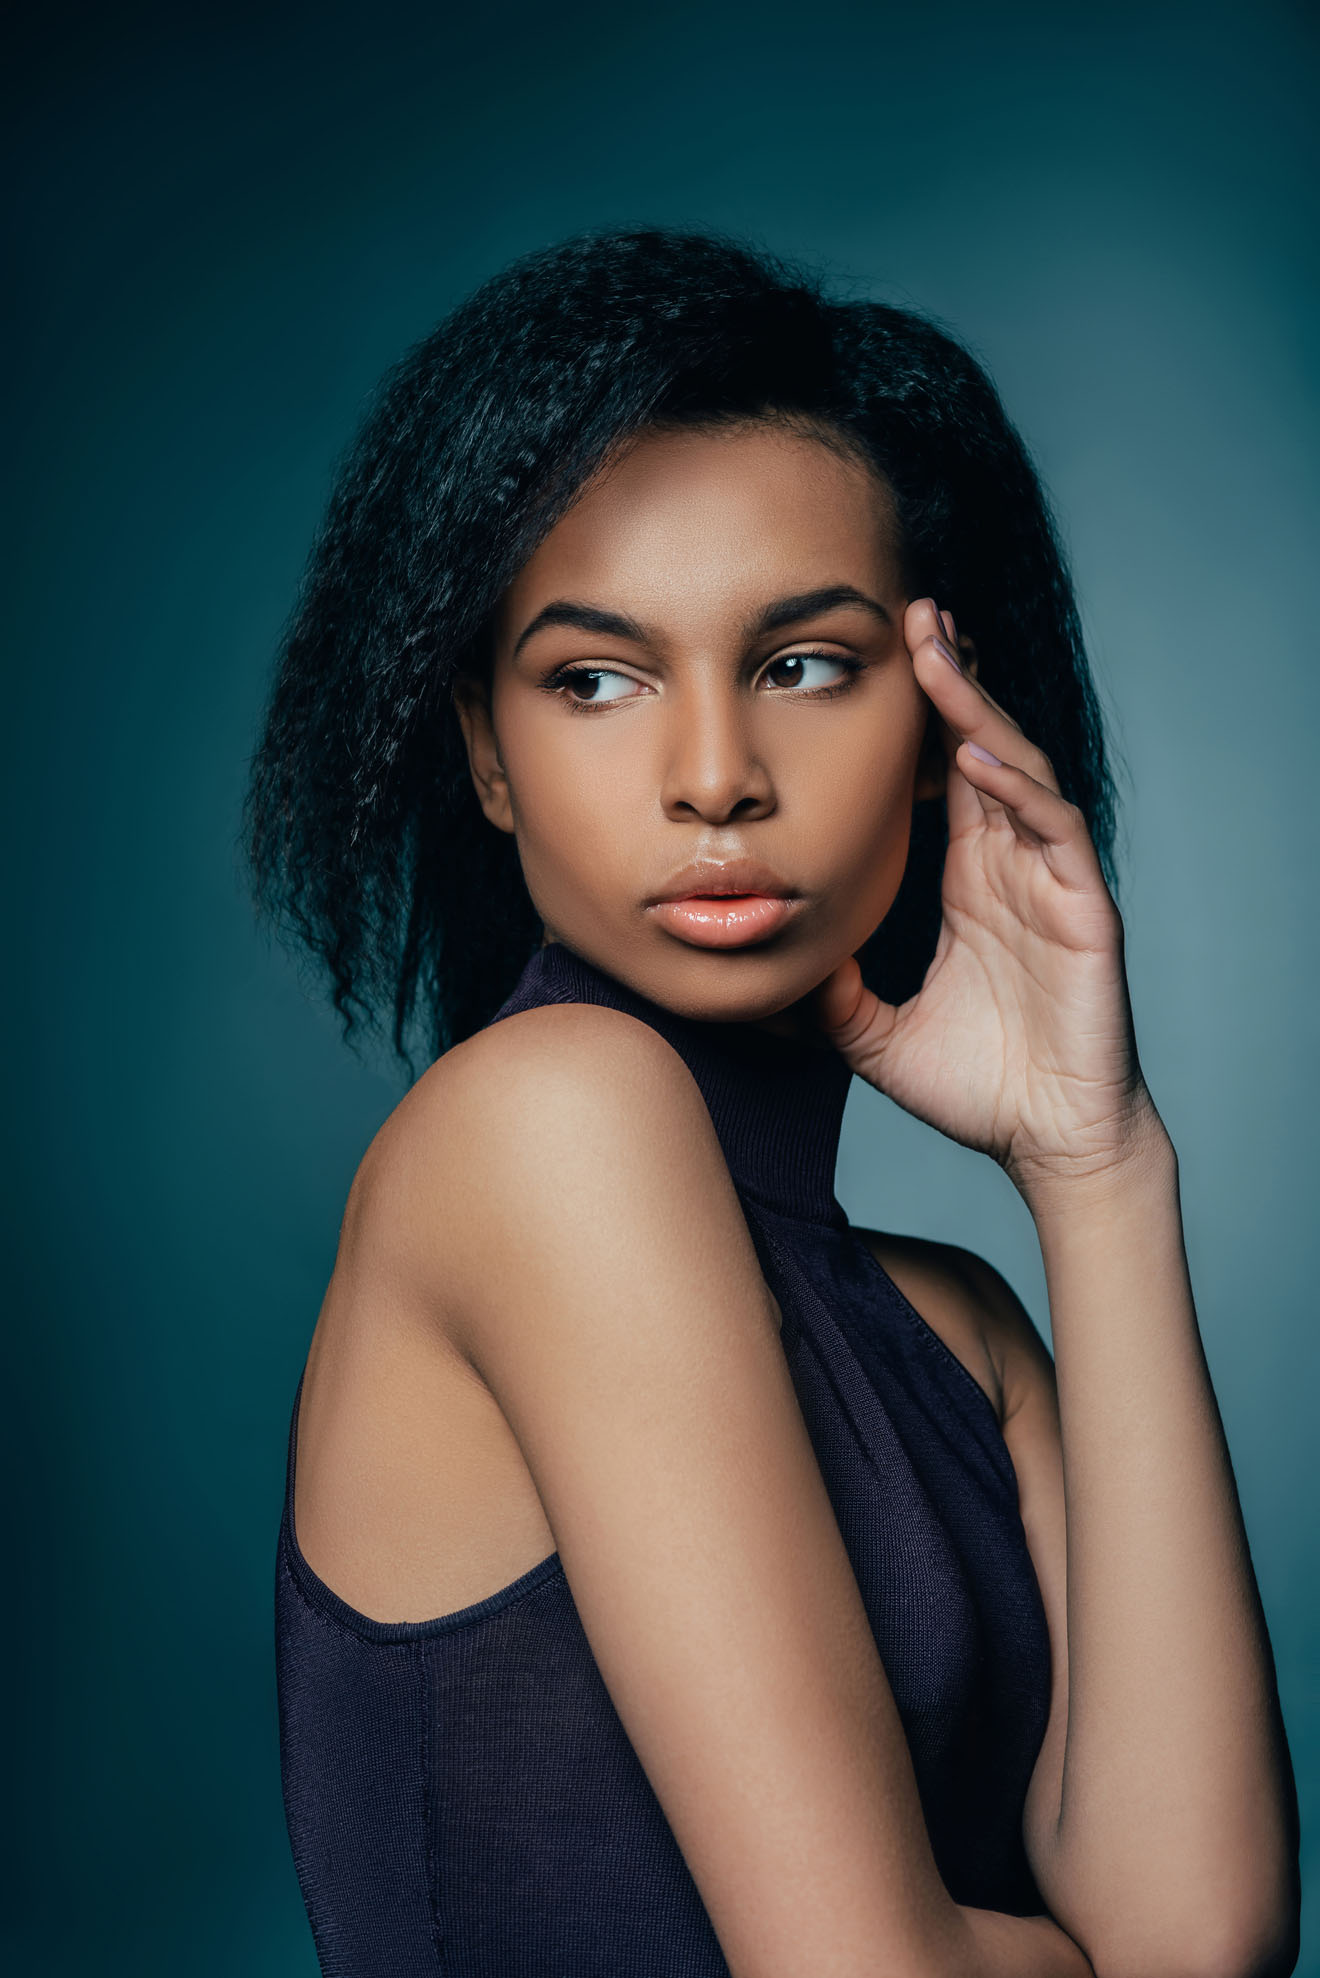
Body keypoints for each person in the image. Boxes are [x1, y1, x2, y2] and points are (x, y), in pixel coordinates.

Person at [244, 226, 1300, 1977]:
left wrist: (1096, 1165)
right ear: (487, 753)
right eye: (595, 677)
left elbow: (1204, 1939)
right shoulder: (545, 1123)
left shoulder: (965, 1336)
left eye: (805, 661)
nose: (716, 776)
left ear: (942, 713)